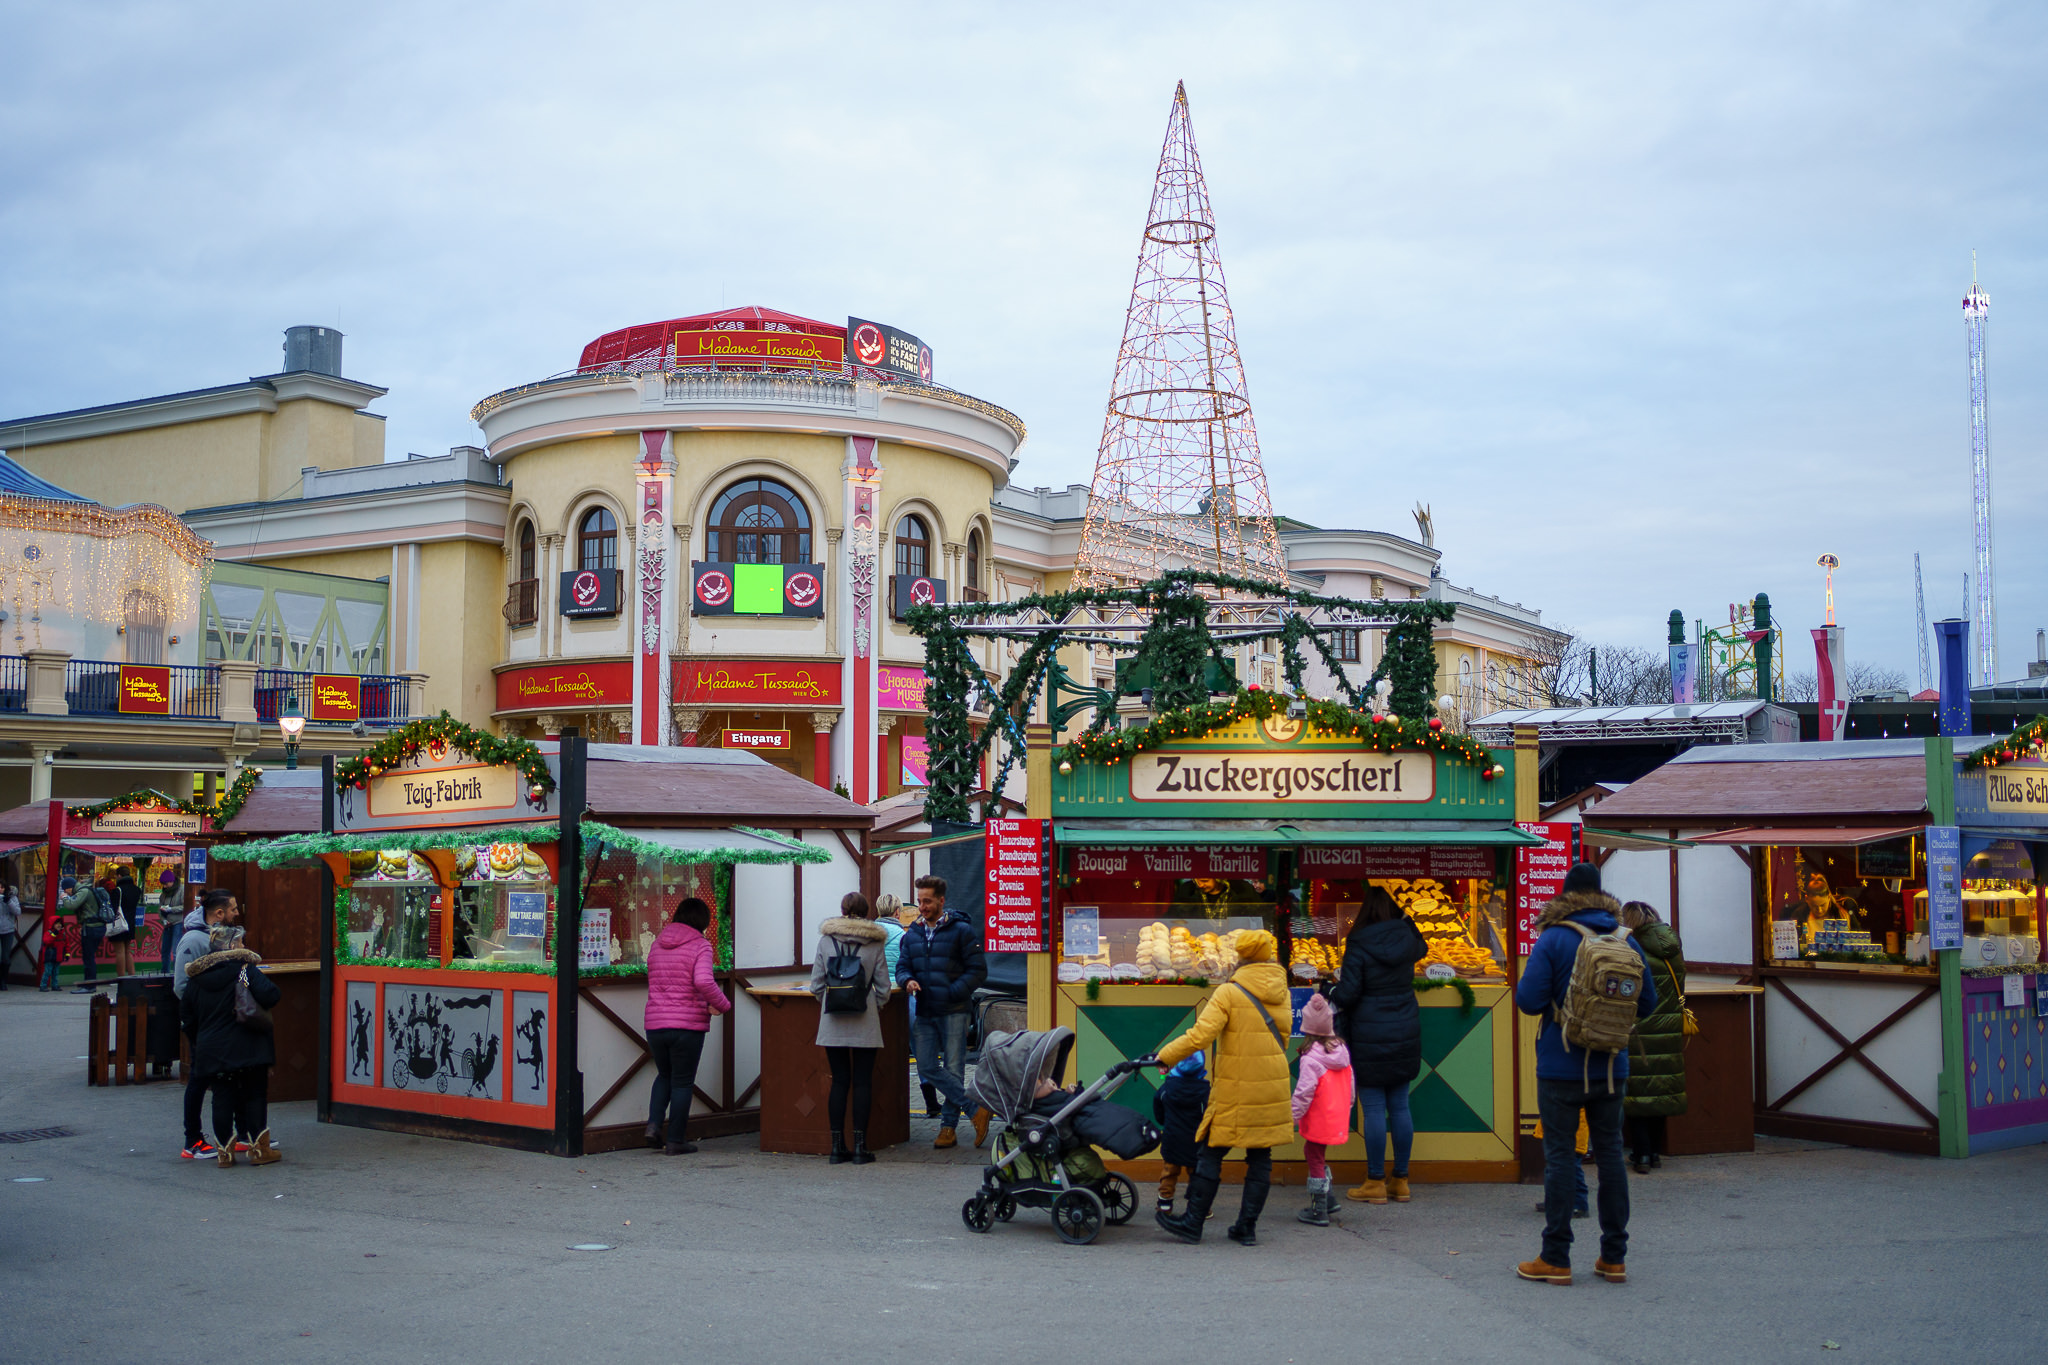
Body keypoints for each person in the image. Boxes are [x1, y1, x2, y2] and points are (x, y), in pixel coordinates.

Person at [1514, 862, 1656, 1287]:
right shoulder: (1625, 939)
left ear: (1565, 895)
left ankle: (1555, 1258)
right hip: (1612, 1066)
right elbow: (1646, 1003)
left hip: (1560, 1066)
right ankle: (1614, 1258)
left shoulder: (1555, 937)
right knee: (1611, 1155)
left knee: (1560, 1158)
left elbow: (1528, 1000)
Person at [1153, 929, 1293, 1247]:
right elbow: (1283, 1036)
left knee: (1212, 1149)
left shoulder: (1230, 992)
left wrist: (1165, 1055)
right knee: (1261, 1153)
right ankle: (1247, 1227)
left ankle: (1192, 1222)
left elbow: (1201, 1036)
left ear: (1240, 956)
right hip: (1272, 1080)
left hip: (1236, 1083)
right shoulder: (1281, 990)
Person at [1327, 884, 1427, 1204]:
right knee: (1400, 1106)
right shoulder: (1408, 940)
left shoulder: (1359, 943)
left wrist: (1329, 993)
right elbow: (1422, 945)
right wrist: (1405, 917)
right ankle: (1401, 1179)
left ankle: (1374, 1181)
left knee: (1373, 1110)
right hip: (1404, 1029)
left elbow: (1349, 992)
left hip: (1370, 1032)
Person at [894, 875, 989, 1149]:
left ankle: (948, 1128)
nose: (922, 906)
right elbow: (902, 967)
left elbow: (978, 971)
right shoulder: (912, 933)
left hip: (955, 1011)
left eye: (927, 901)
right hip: (924, 1011)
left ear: (941, 901)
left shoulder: (961, 931)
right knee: (926, 1066)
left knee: (954, 1069)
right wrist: (906, 980)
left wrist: (952, 991)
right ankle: (975, 1110)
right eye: (920, 901)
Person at [180, 924, 282, 1166]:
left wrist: (201, 1039)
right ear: (233, 946)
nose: (244, 946)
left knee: (222, 1096)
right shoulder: (244, 970)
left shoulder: (197, 978)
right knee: (255, 1094)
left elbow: (187, 1015)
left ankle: (224, 1153)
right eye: (241, 942)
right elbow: (271, 995)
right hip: (249, 1046)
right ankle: (259, 1149)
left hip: (212, 1049)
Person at [807, 892, 893, 1165]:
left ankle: (836, 1148)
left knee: (840, 1080)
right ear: (867, 911)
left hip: (833, 1021)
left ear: (842, 910)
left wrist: (831, 1003)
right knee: (863, 1082)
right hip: (865, 1021)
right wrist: (872, 1005)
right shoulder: (875, 943)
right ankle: (860, 1147)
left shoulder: (826, 940)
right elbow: (884, 988)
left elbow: (816, 985)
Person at [643, 896, 732, 1155]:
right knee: (682, 1082)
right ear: (701, 921)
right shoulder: (700, 945)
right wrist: (723, 1005)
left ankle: (653, 1126)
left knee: (664, 1075)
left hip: (656, 1024)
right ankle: (675, 1140)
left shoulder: (658, 944)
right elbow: (704, 981)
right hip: (686, 1026)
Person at [1620, 900, 1688, 1174]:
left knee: (1638, 1095)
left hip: (1640, 1028)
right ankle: (1655, 1154)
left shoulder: (1633, 950)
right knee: (1660, 1090)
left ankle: (1641, 1155)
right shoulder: (1673, 949)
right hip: (1670, 1026)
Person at [174, 890, 239, 1160]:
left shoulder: (223, 937)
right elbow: (181, 985)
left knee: (226, 1076)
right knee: (200, 1078)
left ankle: (238, 1133)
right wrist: (207, 1011)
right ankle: (193, 1140)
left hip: (219, 1021)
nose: (237, 912)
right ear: (219, 913)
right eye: (233, 908)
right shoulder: (194, 940)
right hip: (202, 1023)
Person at [1291, 992, 1354, 1227]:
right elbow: (1351, 1086)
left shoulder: (1310, 1059)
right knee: (1317, 1153)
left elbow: (1304, 1093)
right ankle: (1328, 1199)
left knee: (1313, 1155)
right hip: (1337, 1114)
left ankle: (1319, 1208)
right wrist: (1346, 1107)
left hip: (1319, 1117)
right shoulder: (1342, 1053)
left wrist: (1293, 1116)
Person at [1152, 1053, 1209, 1216]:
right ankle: (1198, 1208)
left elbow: (1159, 1110)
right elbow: (1208, 1115)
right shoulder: (1205, 1091)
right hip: (1195, 1141)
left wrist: (1165, 1122)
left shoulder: (1166, 1088)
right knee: (1196, 1176)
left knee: (1169, 1173)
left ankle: (1164, 1203)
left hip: (1172, 1139)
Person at [58, 877, 103, 994]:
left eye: (65, 890)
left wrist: (64, 898)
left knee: (88, 958)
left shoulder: (83, 891)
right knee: (89, 957)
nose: (66, 893)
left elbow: (71, 905)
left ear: (69, 887)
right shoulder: (84, 890)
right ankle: (89, 984)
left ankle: (89, 985)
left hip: (91, 928)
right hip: (92, 927)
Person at [108, 868, 141, 978]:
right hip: (130, 923)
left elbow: (113, 907)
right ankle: (132, 976)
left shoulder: (117, 891)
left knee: (119, 952)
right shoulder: (137, 889)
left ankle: (121, 977)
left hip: (119, 923)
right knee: (127, 951)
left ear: (120, 876)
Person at [156, 869, 184, 974]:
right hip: (167, 924)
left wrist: (171, 909)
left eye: (166, 883)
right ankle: (164, 973)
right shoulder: (164, 894)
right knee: (165, 951)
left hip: (178, 922)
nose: (164, 886)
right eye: (163, 884)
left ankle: (177, 974)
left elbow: (185, 906)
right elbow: (159, 908)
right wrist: (163, 920)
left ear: (172, 881)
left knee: (176, 950)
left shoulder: (182, 890)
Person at [0, 878, 18, 990]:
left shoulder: (11, 897)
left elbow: (18, 911)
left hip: (8, 930)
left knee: (5, 957)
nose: (0, 890)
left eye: (2, 887)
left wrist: (8, 902)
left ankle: (3, 981)